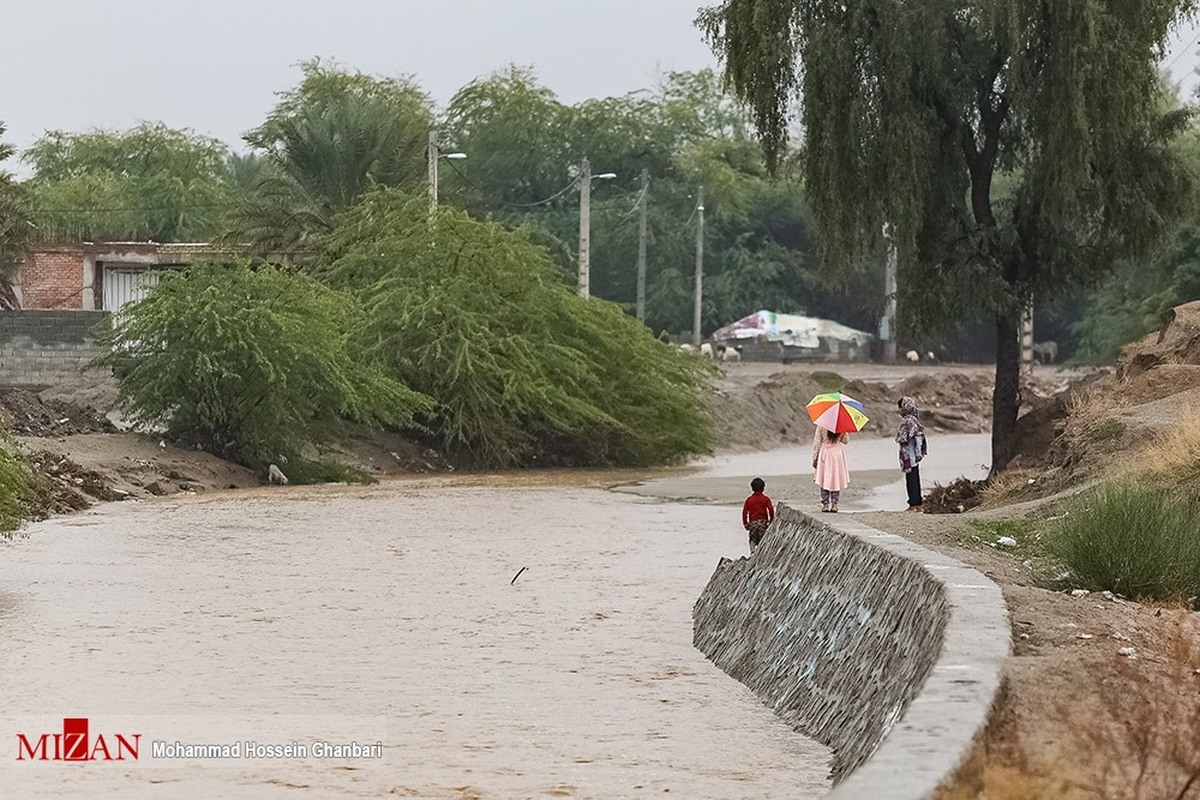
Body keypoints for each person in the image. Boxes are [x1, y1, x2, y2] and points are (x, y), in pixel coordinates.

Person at [896, 395, 928, 512]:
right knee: (914, 479)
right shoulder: (913, 420)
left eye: (900, 408)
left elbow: (917, 438)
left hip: (910, 456)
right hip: (912, 456)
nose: (899, 411)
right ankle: (917, 504)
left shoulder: (909, 422)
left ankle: (914, 504)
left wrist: (918, 453)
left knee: (911, 480)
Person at [811, 425, 850, 512]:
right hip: (837, 454)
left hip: (825, 453)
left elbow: (817, 442)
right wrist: (844, 431)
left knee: (824, 479)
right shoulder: (841, 425)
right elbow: (845, 441)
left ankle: (825, 504)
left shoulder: (821, 424)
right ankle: (834, 504)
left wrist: (815, 457)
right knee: (836, 479)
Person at [742, 477, 775, 553]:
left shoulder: (749, 500)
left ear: (752, 488)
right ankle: (761, 553)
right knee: (763, 539)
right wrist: (771, 521)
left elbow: (744, 512)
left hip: (753, 523)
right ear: (763, 488)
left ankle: (753, 552)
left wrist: (746, 524)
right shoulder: (765, 499)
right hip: (763, 523)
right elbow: (770, 509)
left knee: (752, 539)